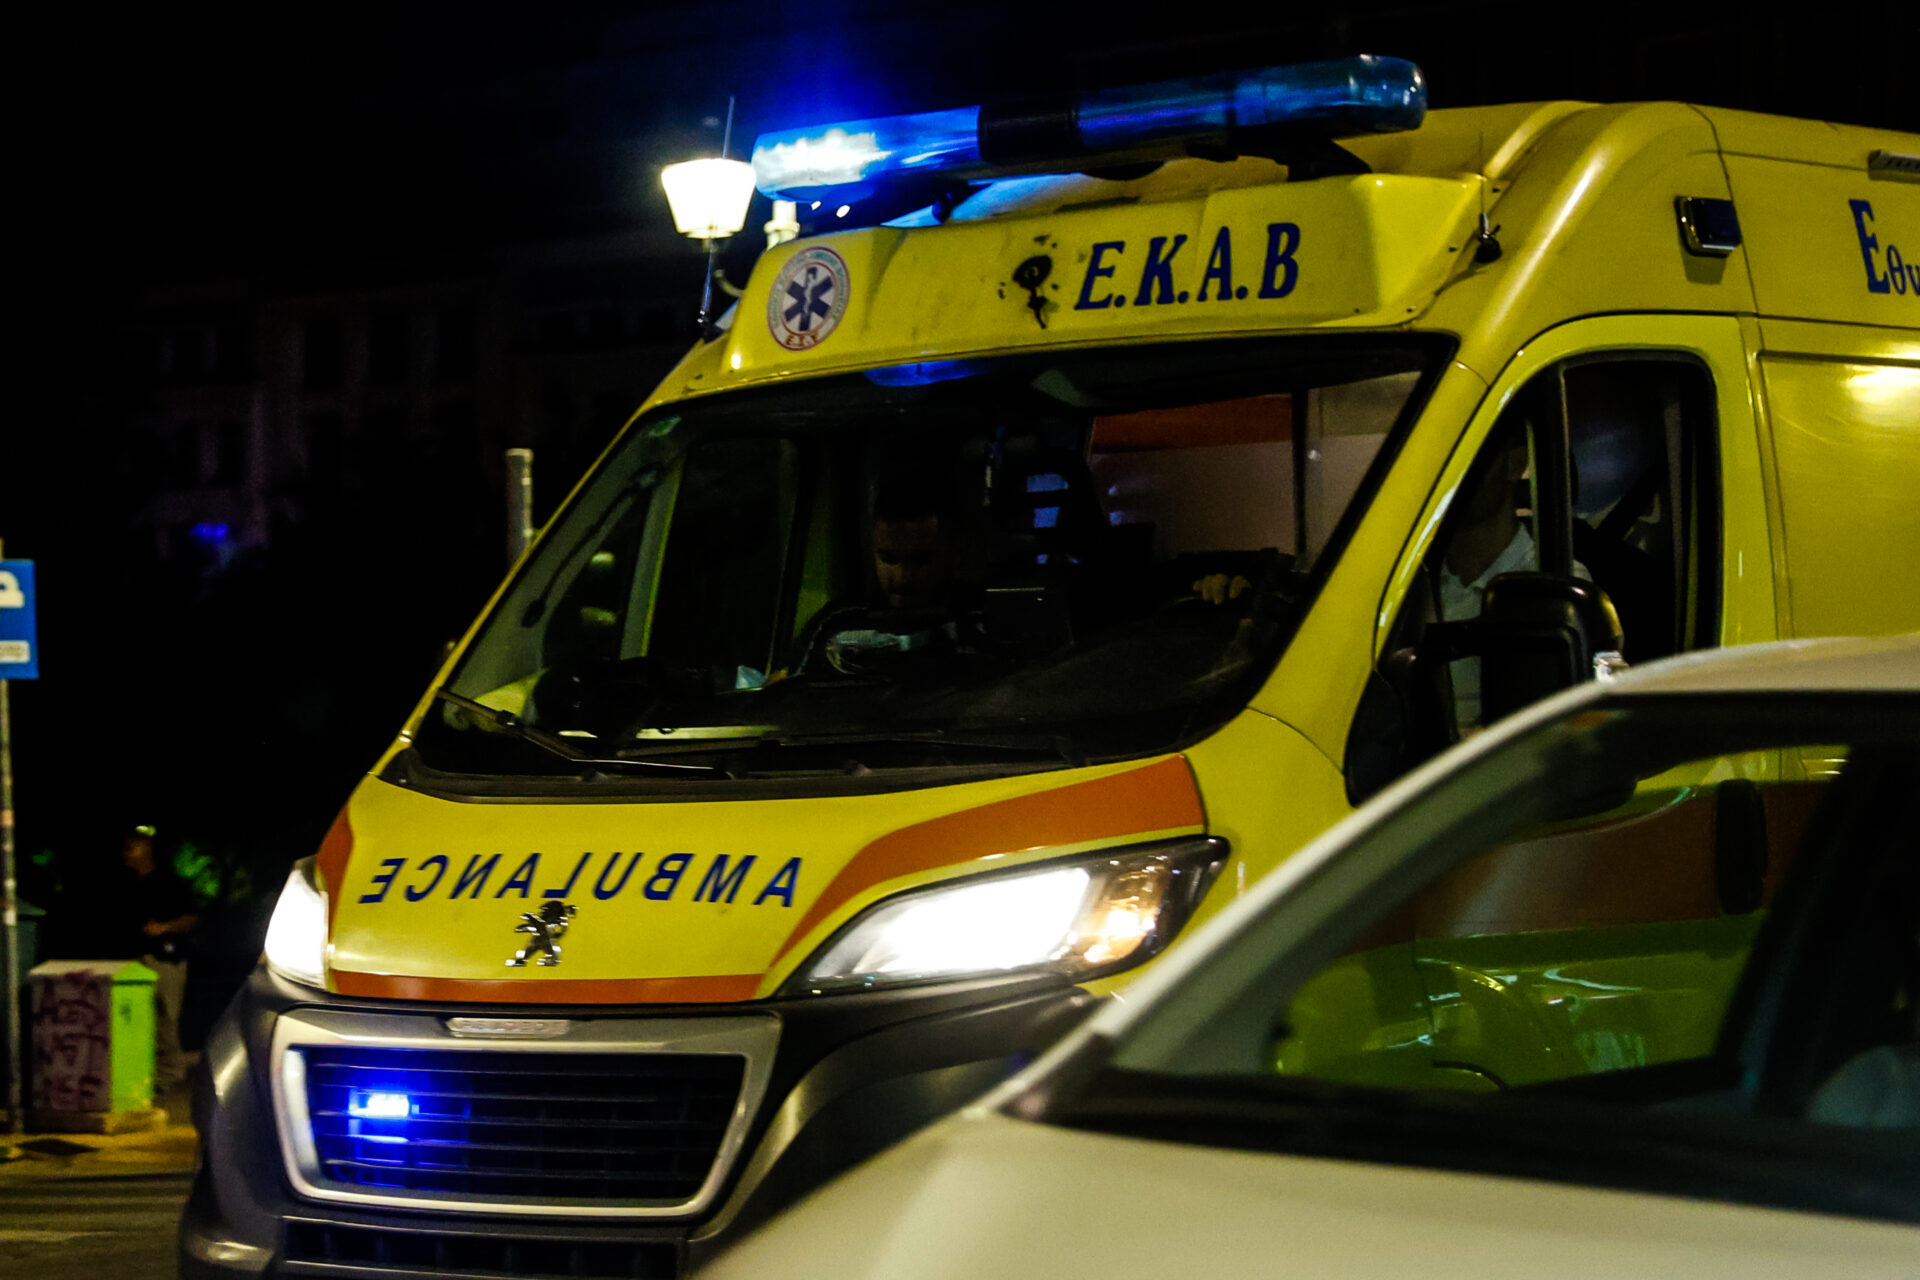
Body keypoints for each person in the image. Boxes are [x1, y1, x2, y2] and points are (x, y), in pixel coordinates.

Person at [109, 825, 200, 1093]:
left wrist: (164, 928)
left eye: (131, 848)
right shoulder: (126, 884)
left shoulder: (169, 883)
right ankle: (144, 1073)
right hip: (133, 960)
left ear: (146, 850)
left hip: (165, 959)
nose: (126, 854)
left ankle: (169, 1074)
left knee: (166, 1017)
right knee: (138, 1017)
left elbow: (192, 918)